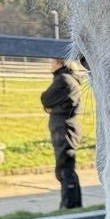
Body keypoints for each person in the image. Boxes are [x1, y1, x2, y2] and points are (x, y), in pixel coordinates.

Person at [41, 57, 82, 209]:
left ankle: (69, 204)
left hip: (64, 128)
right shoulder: (69, 78)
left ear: (59, 63)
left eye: (52, 61)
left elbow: (46, 98)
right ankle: (73, 203)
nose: (50, 64)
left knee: (65, 167)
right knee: (66, 166)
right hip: (65, 127)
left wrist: (52, 108)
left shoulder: (63, 80)